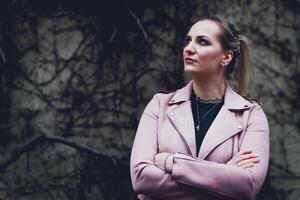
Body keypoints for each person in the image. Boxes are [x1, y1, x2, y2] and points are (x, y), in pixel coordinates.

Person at [130, 15, 269, 200]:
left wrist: (172, 163)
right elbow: (141, 178)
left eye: (202, 42)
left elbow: (247, 185)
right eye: (188, 41)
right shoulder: (159, 105)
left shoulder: (251, 114)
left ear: (226, 57)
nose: (189, 48)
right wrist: (224, 176)